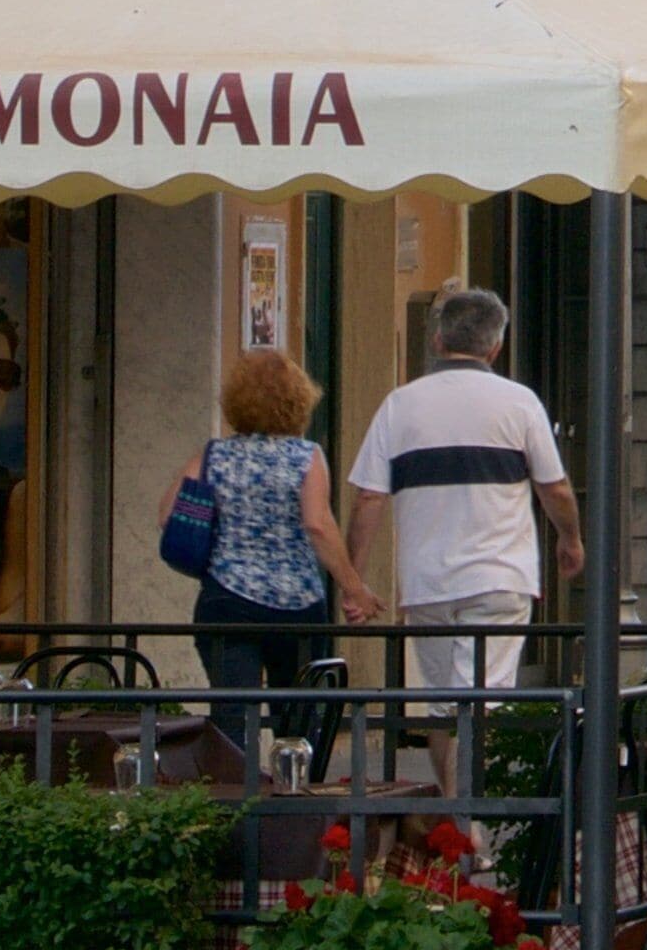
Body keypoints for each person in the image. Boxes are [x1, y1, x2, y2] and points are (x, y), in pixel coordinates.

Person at [347, 287, 582, 700]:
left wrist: (354, 583)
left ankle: (454, 767)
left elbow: (369, 498)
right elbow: (555, 489)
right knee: (483, 701)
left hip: (427, 582)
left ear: (439, 340)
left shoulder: (399, 405)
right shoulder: (520, 403)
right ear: (495, 347)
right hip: (499, 576)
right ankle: (471, 767)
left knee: (441, 705)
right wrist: (570, 539)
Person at [164, 351, 379, 753]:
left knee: (231, 717)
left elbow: (167, 514)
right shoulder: (306, 457)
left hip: (226, 601)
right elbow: (317, 523)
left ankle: (235, 802)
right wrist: (354, 588)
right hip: (296, 606)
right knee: (296, 720)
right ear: (298, 400)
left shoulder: (213, 455)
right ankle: (293, 802)